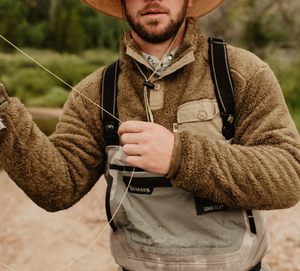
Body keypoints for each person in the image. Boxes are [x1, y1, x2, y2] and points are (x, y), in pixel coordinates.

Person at [0, 0, 300, 270]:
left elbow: (289, 176)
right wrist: (2, 114)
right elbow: (57, 189)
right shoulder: (93, 92)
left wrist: (180, 157)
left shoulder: (242, 73)